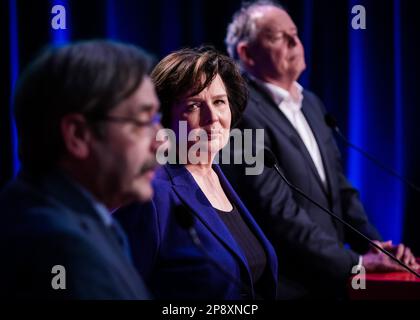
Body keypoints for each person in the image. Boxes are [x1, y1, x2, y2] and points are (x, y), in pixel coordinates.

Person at [222, 1, 419, 299]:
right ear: (246, 54)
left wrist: (377, 247)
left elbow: (340, 191)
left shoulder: (311, 104)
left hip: (332, 282)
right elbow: (276, 213)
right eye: (278, 37)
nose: (295, 43)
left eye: (295, 33)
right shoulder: (239, 115)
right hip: (286, 286)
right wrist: (355, 263)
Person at [0, 40, 163, 299]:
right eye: (142, 122)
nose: (159, 140)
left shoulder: (78, 218)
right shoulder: (58, 246)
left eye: (157, 120)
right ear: (78, 135)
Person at [114, 47, 278, 300]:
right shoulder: (151, 193)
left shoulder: (223, 179)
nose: (212, 117)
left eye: (219, 102)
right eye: (193, 105)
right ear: (166, 118)